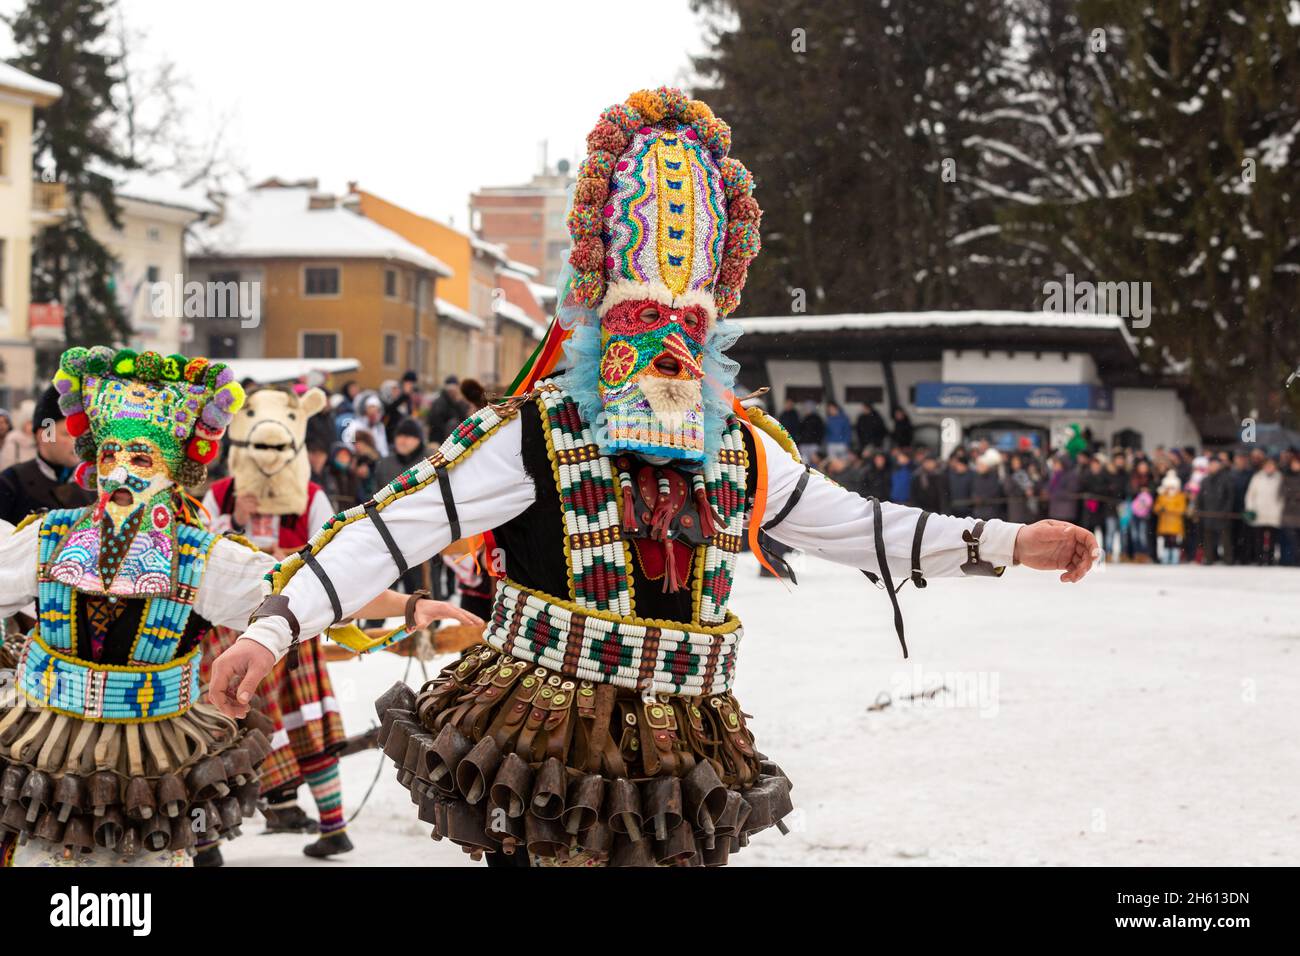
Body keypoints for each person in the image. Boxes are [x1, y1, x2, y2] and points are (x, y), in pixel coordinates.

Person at [209, 86, 1097, 869]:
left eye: (687, 329)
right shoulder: (532, 434)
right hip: (544, 749)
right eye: (643, 322)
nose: (668, 351)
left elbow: (857, 525)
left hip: (680, 755)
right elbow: (389, 529)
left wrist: (1013, 541)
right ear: (599, 322)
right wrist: (277, 627)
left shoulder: (740, 452)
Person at [0, 385, 94, 525]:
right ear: (44, 435)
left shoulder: (94, 485)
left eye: (84, 435)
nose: (79, 443)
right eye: (68, 434)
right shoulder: (11, 483)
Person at [1244, 458, 1283, 565]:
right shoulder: (1257, 478)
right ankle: (1259, 559)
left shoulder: (1279, 478)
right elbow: (1250, 494)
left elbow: (1282, 497)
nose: (1269, 468)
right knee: (1258, 539)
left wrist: (1280, 509)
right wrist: (1250, 509)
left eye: (1271, 466)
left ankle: (1270, 559)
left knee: (1272, 540)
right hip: (1259, 512)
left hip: (1274, 513)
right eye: (1267, 465)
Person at [1197, 456, 1235, 565]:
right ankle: (1208, 558)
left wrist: (1226, 511)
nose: (1213, 467)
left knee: (1225, 539)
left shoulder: (1226, 479)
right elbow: (1200, 498)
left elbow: (1230, 497)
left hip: (1222, 513)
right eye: (1211, 465)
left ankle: (1228, 559)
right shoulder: (1205, 480)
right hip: (1208, 513)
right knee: (1208, 539)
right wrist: (1200, 511)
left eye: (1215, 464)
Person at [1153, 471, 1187, 564]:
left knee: (1175, 542)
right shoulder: (1162, 496)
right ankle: (1166, 558)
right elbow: (1156, 508)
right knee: (1166, 542)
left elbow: (1182, 509)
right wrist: (1161, 509)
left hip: (1175, 524)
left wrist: (1168, 509)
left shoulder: (1180, 496)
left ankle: (1174, 558)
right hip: (1164, 524)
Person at [425, 376, 469, 445]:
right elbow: (435, 424)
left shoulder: (458, 402)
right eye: (451, 390)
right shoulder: (440, 403)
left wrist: (458, 403)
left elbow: (464, 419)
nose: (453, 392)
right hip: (441, 441)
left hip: (452, 441)